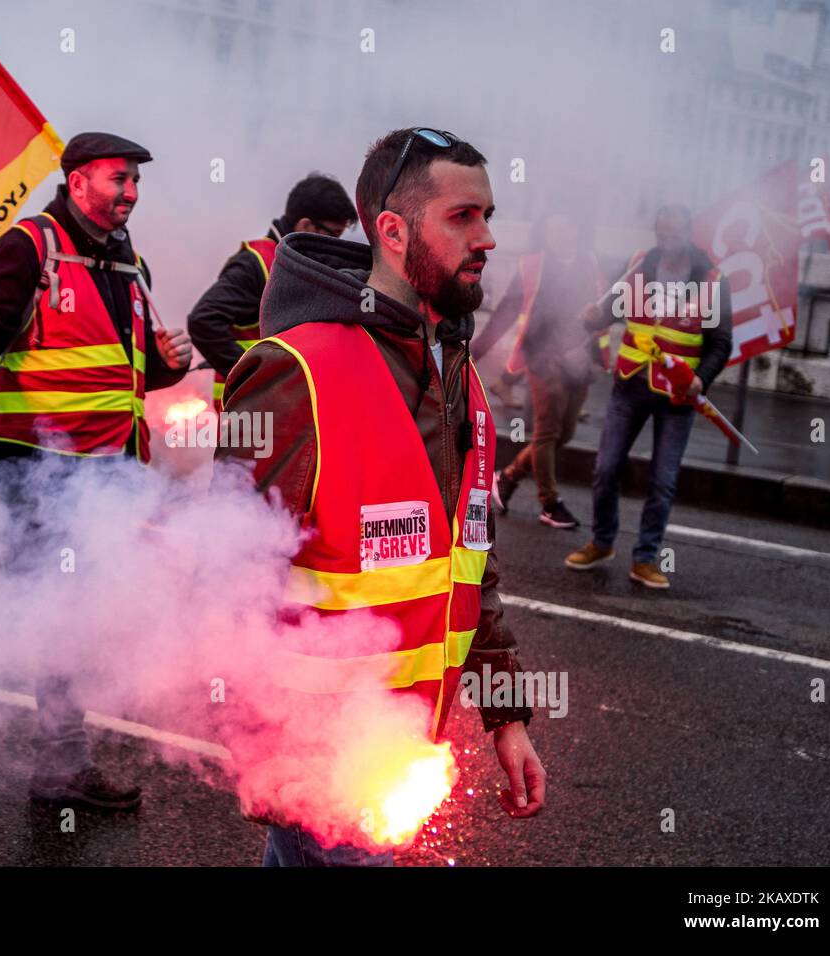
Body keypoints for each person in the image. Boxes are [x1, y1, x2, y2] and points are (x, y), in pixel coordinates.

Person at [217, 128, 544, 866]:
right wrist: (272, 762)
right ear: (392, 231)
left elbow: (470, 565)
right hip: (325, 771)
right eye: (462, 217)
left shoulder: (460, 376)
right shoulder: (292, 370)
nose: (487, 237)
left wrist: (506, 718)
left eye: (488, 214)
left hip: (393, 752)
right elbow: (226, 581)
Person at [0, 131, 193, 809]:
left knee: (39, 615)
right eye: (116, 179)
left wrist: (168, 364)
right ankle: (51, 769)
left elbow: (125, 374)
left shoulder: (130, 263)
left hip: (110, 478)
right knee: (54, 617)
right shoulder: (27, 246)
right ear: (76, 182)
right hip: (40, 474)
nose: (130, 193)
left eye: (134, 181)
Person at [565, 204, 732, 589]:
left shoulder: (711, 280)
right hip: (630, 383)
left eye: (673, 234)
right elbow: (611, 309)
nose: (665, 241)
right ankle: (602, 541)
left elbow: (721, 343)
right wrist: (593, 317)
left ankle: (645, 558)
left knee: (663, 479)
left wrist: (701, 380)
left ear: (689, 233)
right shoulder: (639, 264)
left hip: (677, 394)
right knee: (605, 468)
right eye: (660, 233)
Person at [474, 210, 608, 529]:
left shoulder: (589, 263)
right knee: (547, 432)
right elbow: (507, 308)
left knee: (565, 433)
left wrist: (599, 353)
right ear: (544, 235)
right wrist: (477, 349)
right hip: (543, 359)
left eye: (565, 229)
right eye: (552, 231)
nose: (559, 236)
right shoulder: (532, 265)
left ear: (576, 230)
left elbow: (603, 308)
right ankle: (550, 504)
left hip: (578, 360)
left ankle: (505, 477)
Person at [188, 173, 357, 411]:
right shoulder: (254, 263)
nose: (336, 246)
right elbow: (203, 321)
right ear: (306, 226)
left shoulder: (302, 267)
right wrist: (255, 376)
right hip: (251, 417)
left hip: (284, 415)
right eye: (333, 235)